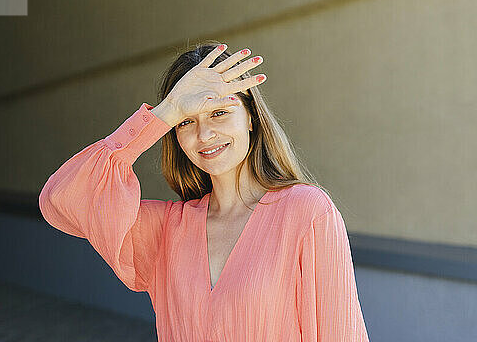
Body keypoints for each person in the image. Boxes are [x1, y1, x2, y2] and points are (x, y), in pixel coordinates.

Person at [39, 42, 370, 341]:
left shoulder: (306, 212)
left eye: (220, 112)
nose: (205, 133)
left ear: (251, 118)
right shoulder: (166, 229)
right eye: (187, 121)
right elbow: (60, 200)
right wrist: (165, 113)